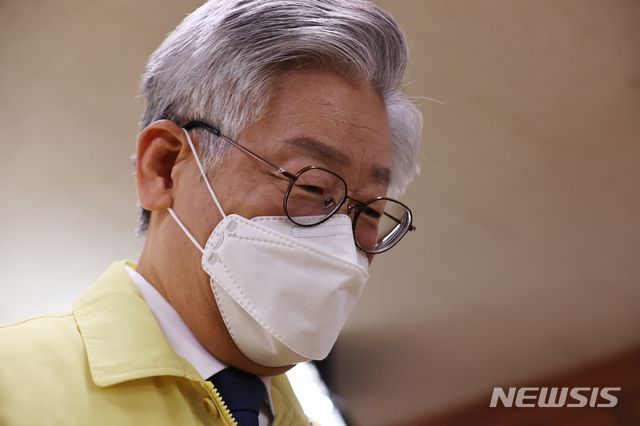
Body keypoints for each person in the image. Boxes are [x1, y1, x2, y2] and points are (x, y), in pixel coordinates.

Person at [0, 1, 422, 425]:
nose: (341, 243)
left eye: (370, 211)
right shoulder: (15, 386)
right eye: (311, 187)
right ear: (164, 167)